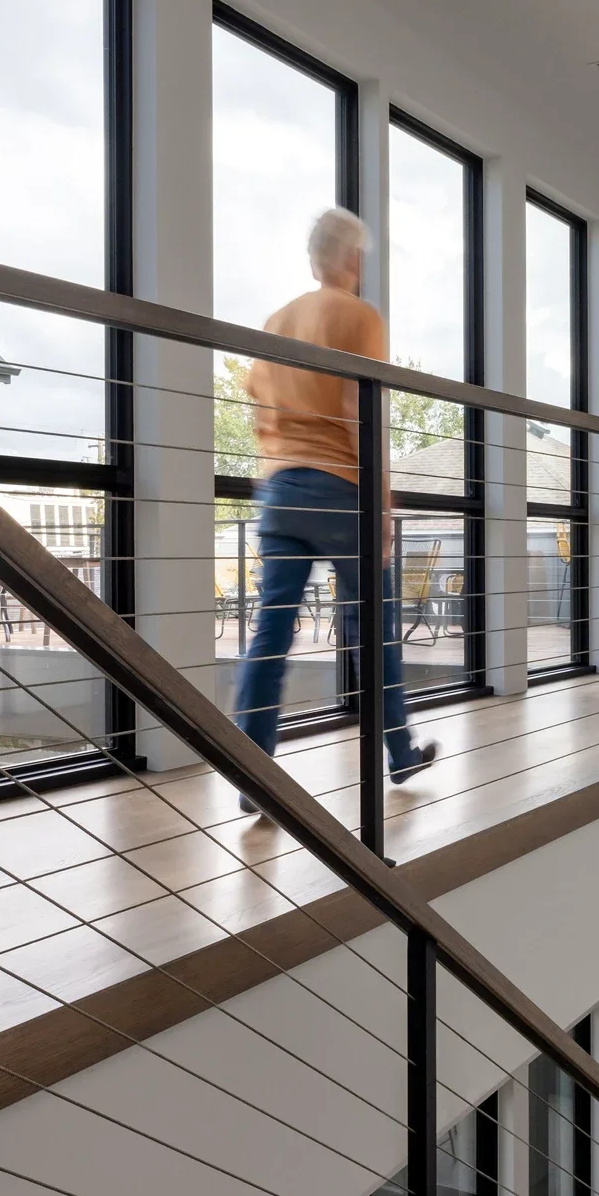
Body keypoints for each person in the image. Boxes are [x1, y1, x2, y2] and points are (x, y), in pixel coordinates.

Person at [233, 207, 438, 805]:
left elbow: (259, 415)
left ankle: (252, 775)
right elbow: (357, 410)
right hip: (338, 490)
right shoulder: (358, 316)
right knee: (374, 628)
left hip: (279, 490)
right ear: (352, 258)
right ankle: (399, 754)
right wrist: (382, 506)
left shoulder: (276, 321)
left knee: (270, 631)